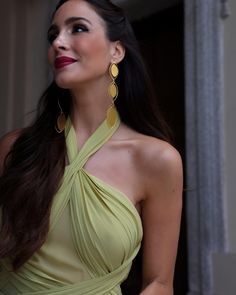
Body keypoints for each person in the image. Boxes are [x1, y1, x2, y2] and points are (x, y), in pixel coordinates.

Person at [0, 0, 183, 294]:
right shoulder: (16, 148)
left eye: (78, 28)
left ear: (116, 50)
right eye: (53, 35)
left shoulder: (156, 160)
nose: (58, 42)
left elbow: (159, 282)